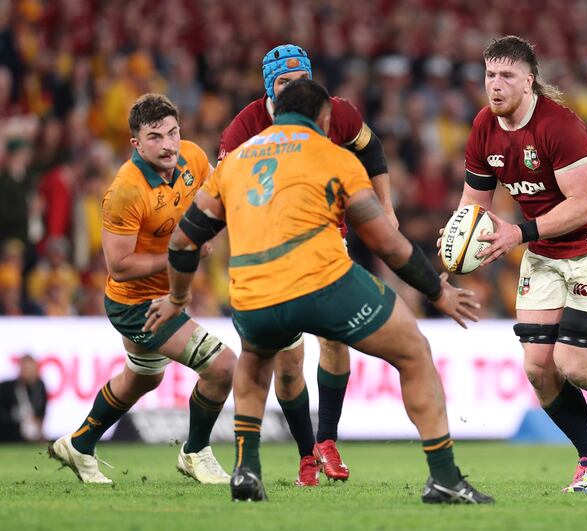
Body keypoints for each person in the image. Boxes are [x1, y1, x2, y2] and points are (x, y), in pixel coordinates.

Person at [145, 79, 493, 504]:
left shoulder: (235, 162)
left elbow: (183, 241)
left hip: (255, 293)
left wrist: (177, 299)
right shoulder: (335, 157)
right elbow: (386, 243)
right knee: (413, 350)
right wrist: (436, 292)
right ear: (324, 118)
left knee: (255, 358)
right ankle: (443, 476)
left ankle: (246, 469)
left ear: (276, 113)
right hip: (323, 283)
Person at [455, 36, 587, 493]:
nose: (495, 85)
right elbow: (474, 204)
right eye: (490, 75)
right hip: (545, 253)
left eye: (506, 76)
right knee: (539, 368)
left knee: (574, 363)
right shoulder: (484, 126)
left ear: (529, 81)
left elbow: (583, 205)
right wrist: (458, 240)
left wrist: (518, 233)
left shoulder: (559, 126)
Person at [217, 44, 398, 485]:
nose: (294, 90)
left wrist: (387, 208)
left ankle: (327, 440)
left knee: (335, 339)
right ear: (269, 87)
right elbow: (222, 195)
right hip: (270, 247)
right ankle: (305, 455)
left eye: (301, 81)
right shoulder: (243, 129)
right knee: (288, 362)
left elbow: (371, 148)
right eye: (284, 82)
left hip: (325, 237)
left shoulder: (337, 112)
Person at [48, 94, 236, 485]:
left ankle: (79, 444)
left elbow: (215, 198)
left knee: (144, 378)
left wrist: (208, 230)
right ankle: (195, 452)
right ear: (136, 143)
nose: (168, 145)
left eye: (173, 133)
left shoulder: (192, 157)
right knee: (222, 367)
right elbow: (118, 266)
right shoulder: (126, 190)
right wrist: (180, 254)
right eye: (155, 137)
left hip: (167, 295)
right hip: (135, 304)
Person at [0, 355, 47, 442]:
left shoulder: (39, 387)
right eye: (25, 369)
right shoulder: (7, 388)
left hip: (32, 435)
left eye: (29, 369)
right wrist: (13, 414)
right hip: (11, 435)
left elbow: (42, 412)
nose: (27, 372)